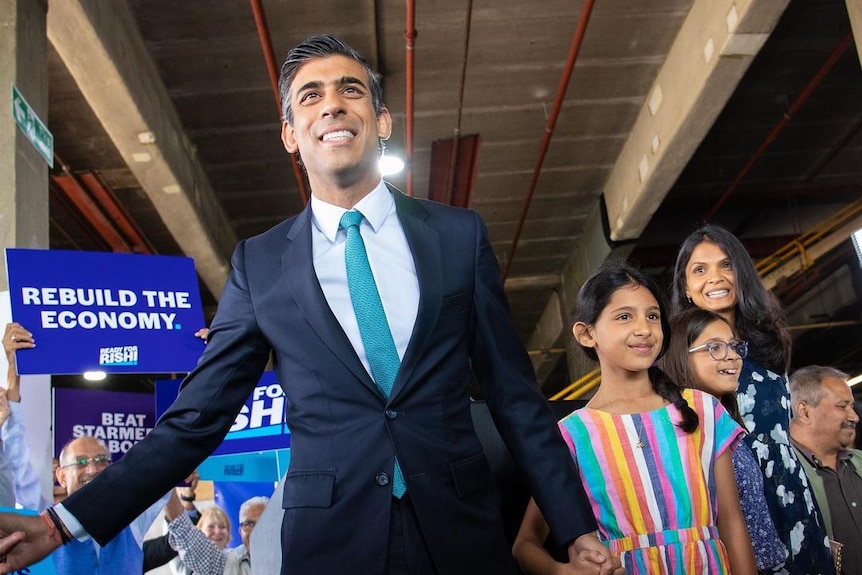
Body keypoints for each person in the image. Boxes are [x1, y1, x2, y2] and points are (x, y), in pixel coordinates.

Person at [0, 35, 620, 575]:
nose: (332, 103)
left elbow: (515, 397)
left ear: (380, 120)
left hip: (462, 531)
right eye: (310, 96)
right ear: (291, 136)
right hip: (332, 542)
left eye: (350, 89)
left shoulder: (458, 236)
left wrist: (576, 527)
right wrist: (59, 524)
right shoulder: (260, 264)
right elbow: (194, 421)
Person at [513, 260, 756, 574]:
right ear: (587, 334)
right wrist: (561, 571)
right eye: (624, 316)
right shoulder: (571, 436)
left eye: (652, 316)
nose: (644, 329)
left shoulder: (703, 409)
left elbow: (732, 522)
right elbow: (525, 544)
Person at [671, 224, 834, 575]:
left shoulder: (765, 345)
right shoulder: (680, 359)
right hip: (738, 505)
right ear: (685, 287)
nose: (716, 277)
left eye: (726, 265)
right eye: (700, 270)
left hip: (793, 498)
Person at [659, 307, 786, 572]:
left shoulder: (725, 423)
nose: (732, 356)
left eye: (734, 346)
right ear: (681, 356)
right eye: (714, 347)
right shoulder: (679, 429)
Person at [51, 436, 169, 574]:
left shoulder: (132, 520)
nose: (92, 470)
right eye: (81, 462)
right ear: (62, 477)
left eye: (101, 460)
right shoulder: (43, 530)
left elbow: (166, 472)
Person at [789, 366, 862, 575]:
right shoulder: (784, 476)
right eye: (843, 406)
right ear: (804, 411)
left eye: (852, 406)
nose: (854, 416)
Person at [165, 495, 268, 575]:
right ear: (240, 532)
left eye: (264, 522)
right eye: (249, 524)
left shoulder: (284, 558)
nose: (256, 530)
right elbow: (184, 531)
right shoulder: (226, 563)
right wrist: (165, 479)